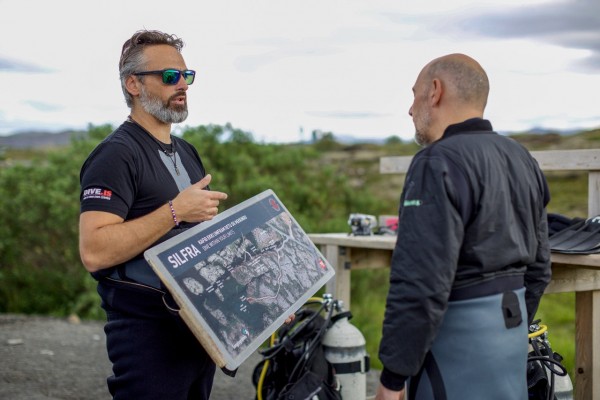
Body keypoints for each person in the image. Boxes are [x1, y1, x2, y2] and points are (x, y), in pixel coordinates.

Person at [375, 54, 552, 400]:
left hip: (451, 356)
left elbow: (420, 283)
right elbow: (540, 267)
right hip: (508, 348)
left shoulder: (435, 163)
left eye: (414, 95)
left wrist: (392, 379)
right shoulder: (521, 158)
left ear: (435, 92)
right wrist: (508, 333)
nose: (410, 110)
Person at [79, 29, 229, 399]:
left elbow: (204, 243)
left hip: (197, 331)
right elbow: (95, 250)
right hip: (148, 337)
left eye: (185, 76)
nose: (182, 85)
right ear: (133, 84)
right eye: (168, 77)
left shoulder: (186, 151)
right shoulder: (115, 155)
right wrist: (176, 211)